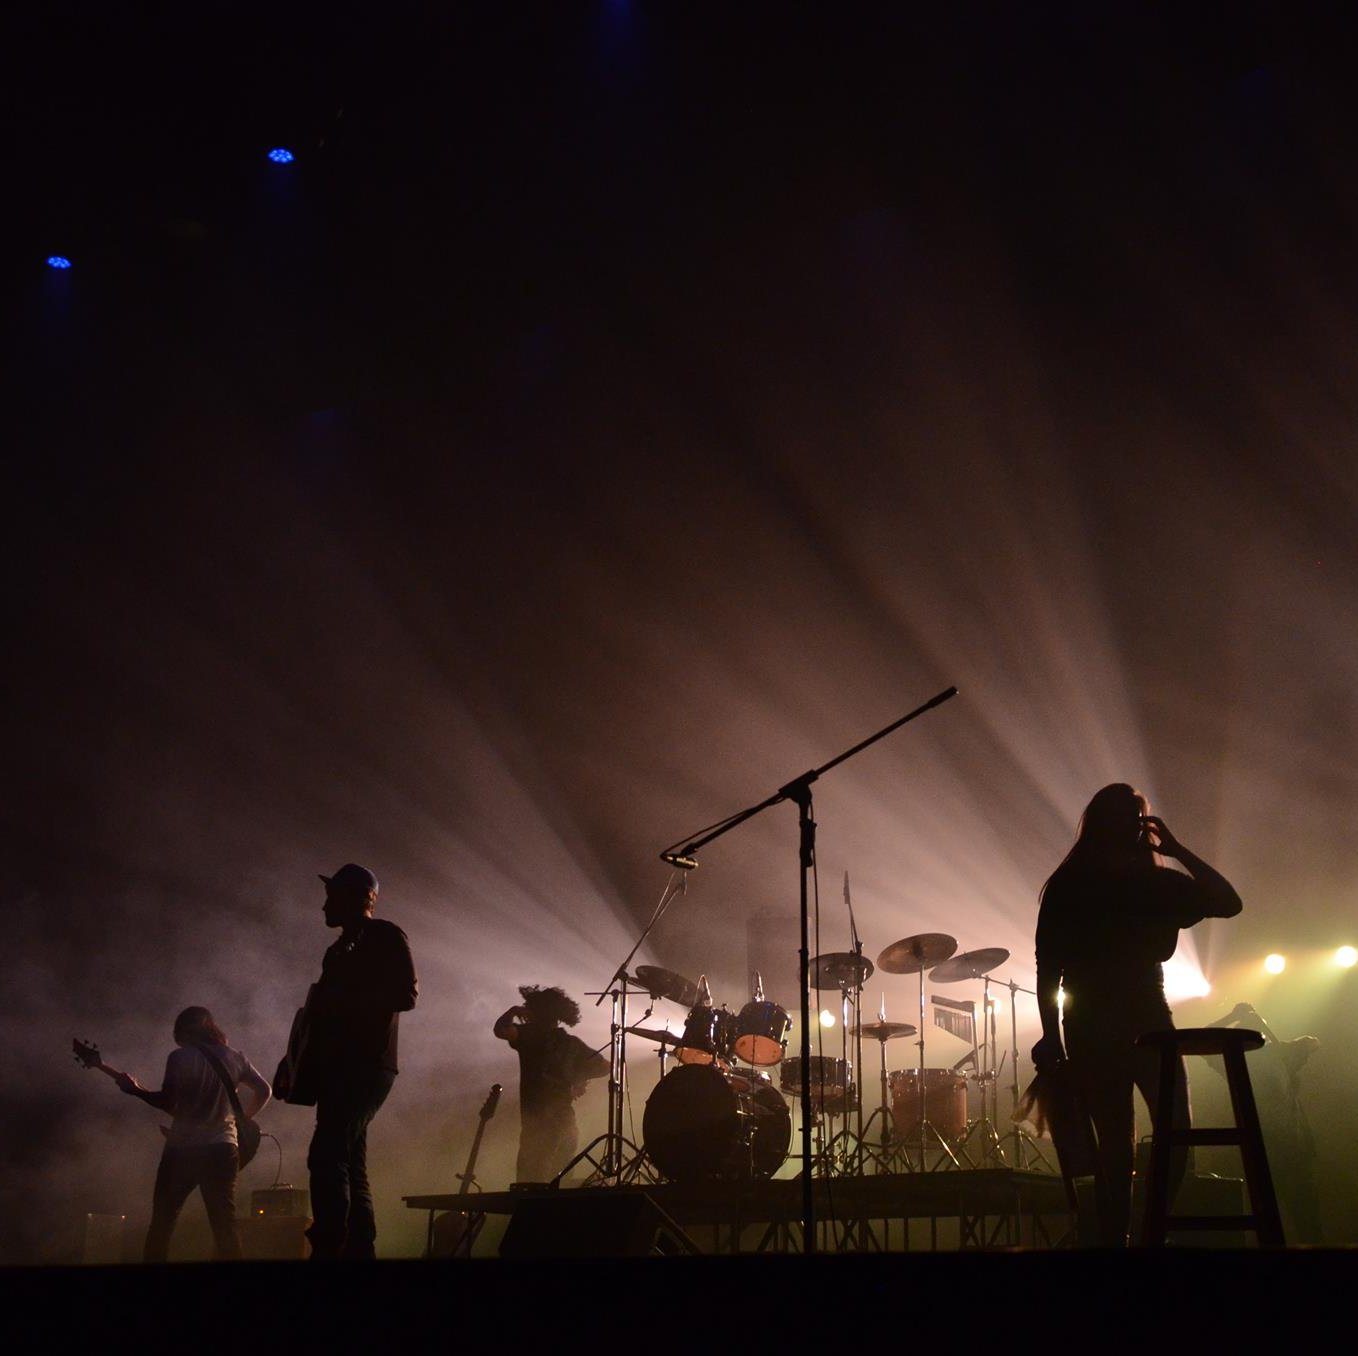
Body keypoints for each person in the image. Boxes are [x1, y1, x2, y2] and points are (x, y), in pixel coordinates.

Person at [1032, 783, 1242, 1245]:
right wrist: (1177, 850)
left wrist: (1053, 1037)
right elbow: (1227, 902)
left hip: (1105, 1022)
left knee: (1122, 1142)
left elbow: (1049, 969)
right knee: (1160, 1135)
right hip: (1136, 1020)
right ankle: (1140, 1236)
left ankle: (1126, 1239)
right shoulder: (1145, 884)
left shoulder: (1077, 884)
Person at [275, 863, 417, 1260]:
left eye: (331, 897)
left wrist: (346, 1000)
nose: (324, 907)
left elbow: (406, 995)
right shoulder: (336, 950)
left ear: (356, 899)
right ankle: (358, 1247)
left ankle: (329, 1247)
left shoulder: (385, 935)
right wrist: (292, 1059)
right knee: (349, 1159)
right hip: (340, 1069)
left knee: (327, 1154)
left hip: (367, 1065)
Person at [114, 1006, 271, 1262]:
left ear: (183, 1031)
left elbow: (167, 1101)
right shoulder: (235, 1057)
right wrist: (243, 1118)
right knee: (224, 1227)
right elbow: (265, 1090)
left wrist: (135, 1090)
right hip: (223, 1149)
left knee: (163, 1224)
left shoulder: (180, 1057)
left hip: (183, 1150)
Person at [1204, 1000, 1322, 1242]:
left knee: (1306, 1217)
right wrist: (1232, 1017)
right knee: (1270, 1215)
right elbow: (1203, 1042)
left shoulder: (1278, 1054)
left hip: (1293, 1145)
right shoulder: (1235, 1061)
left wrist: (1262, 1027)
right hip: (1266, 1145)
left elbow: (1312, 1042)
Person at [493, 985, 609, 1183]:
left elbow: (501, 1030)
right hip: (565, 1123)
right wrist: (579, 1078)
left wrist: (513, 1011)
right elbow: (605, 1067)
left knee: (531, 1183)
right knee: (559, 1184)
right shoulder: (571, 1043)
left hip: (538, 1123)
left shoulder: (529, 1035)